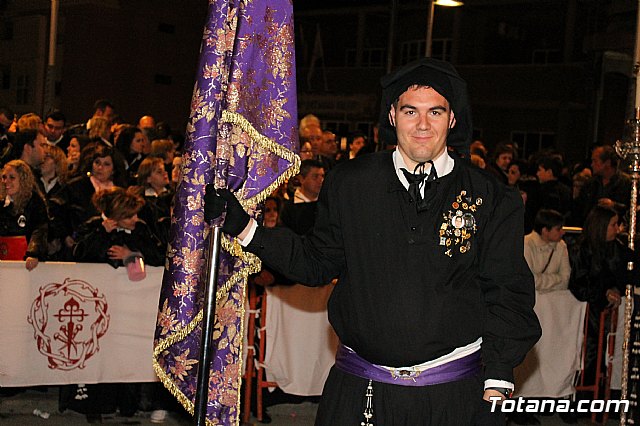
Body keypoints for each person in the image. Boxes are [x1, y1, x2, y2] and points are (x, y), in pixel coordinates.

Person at [205, 58, 541, 425]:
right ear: (393, 115)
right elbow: (318, 261)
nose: (423, 125)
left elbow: (507, 290)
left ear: (453, 118)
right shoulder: (350, 183)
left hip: (456, 394)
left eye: (436, 112)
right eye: (411, 111)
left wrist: (498, 376)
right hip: (360, 391)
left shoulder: (491, 195)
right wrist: (245, 229)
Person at [0, 159, 48, 270]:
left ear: (22, 179)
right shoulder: (2, 203)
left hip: (26, 263)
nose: (6, 181)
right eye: (4, 177)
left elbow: (40, 228)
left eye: (12, 177)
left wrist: (33, 253)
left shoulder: (34, 202)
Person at [523, 209, 570, 293]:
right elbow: (528, 281)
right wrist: (557, 279)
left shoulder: (561, 245)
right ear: (545, 230)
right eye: (558, 229)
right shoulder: (526, 245)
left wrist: (539, 281)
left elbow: (566, 280)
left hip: (553, 301)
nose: (563, 232)